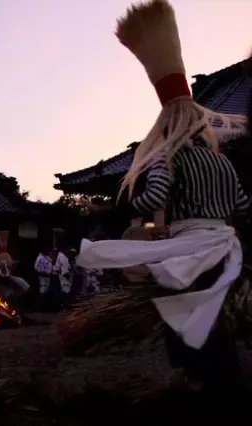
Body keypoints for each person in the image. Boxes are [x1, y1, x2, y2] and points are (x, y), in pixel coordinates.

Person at [75, 0, 249, 401]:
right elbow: (241, 204)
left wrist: (109, 208)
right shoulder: (221, 162)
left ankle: (213, 390)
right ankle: (224, 388)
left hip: (190, 251)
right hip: (225, 249)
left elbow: (153, 197)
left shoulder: (168, 156)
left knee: (185, 317)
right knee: (214, 317)